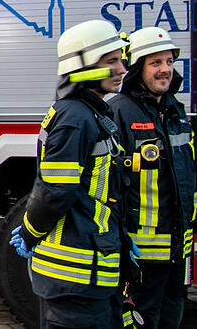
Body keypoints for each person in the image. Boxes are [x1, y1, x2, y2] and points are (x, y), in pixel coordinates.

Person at [9, 20, 134, 329]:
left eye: (121, 59)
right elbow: (56, 191)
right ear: (83, 65)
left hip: (90, 271)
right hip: (76, 278)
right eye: (112, 61)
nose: (122, 69)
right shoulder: (75, 118)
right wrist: (29, 231)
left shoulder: (90, 112)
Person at [109, 27, 196, 328]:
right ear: (136, 68)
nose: (165, 70)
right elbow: (109, 184)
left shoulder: (176, 111)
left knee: (172, 317)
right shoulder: (119, 112)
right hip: (139, 254)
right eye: (155, 63)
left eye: (169, 62)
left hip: (176, 249)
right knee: (141, 321)